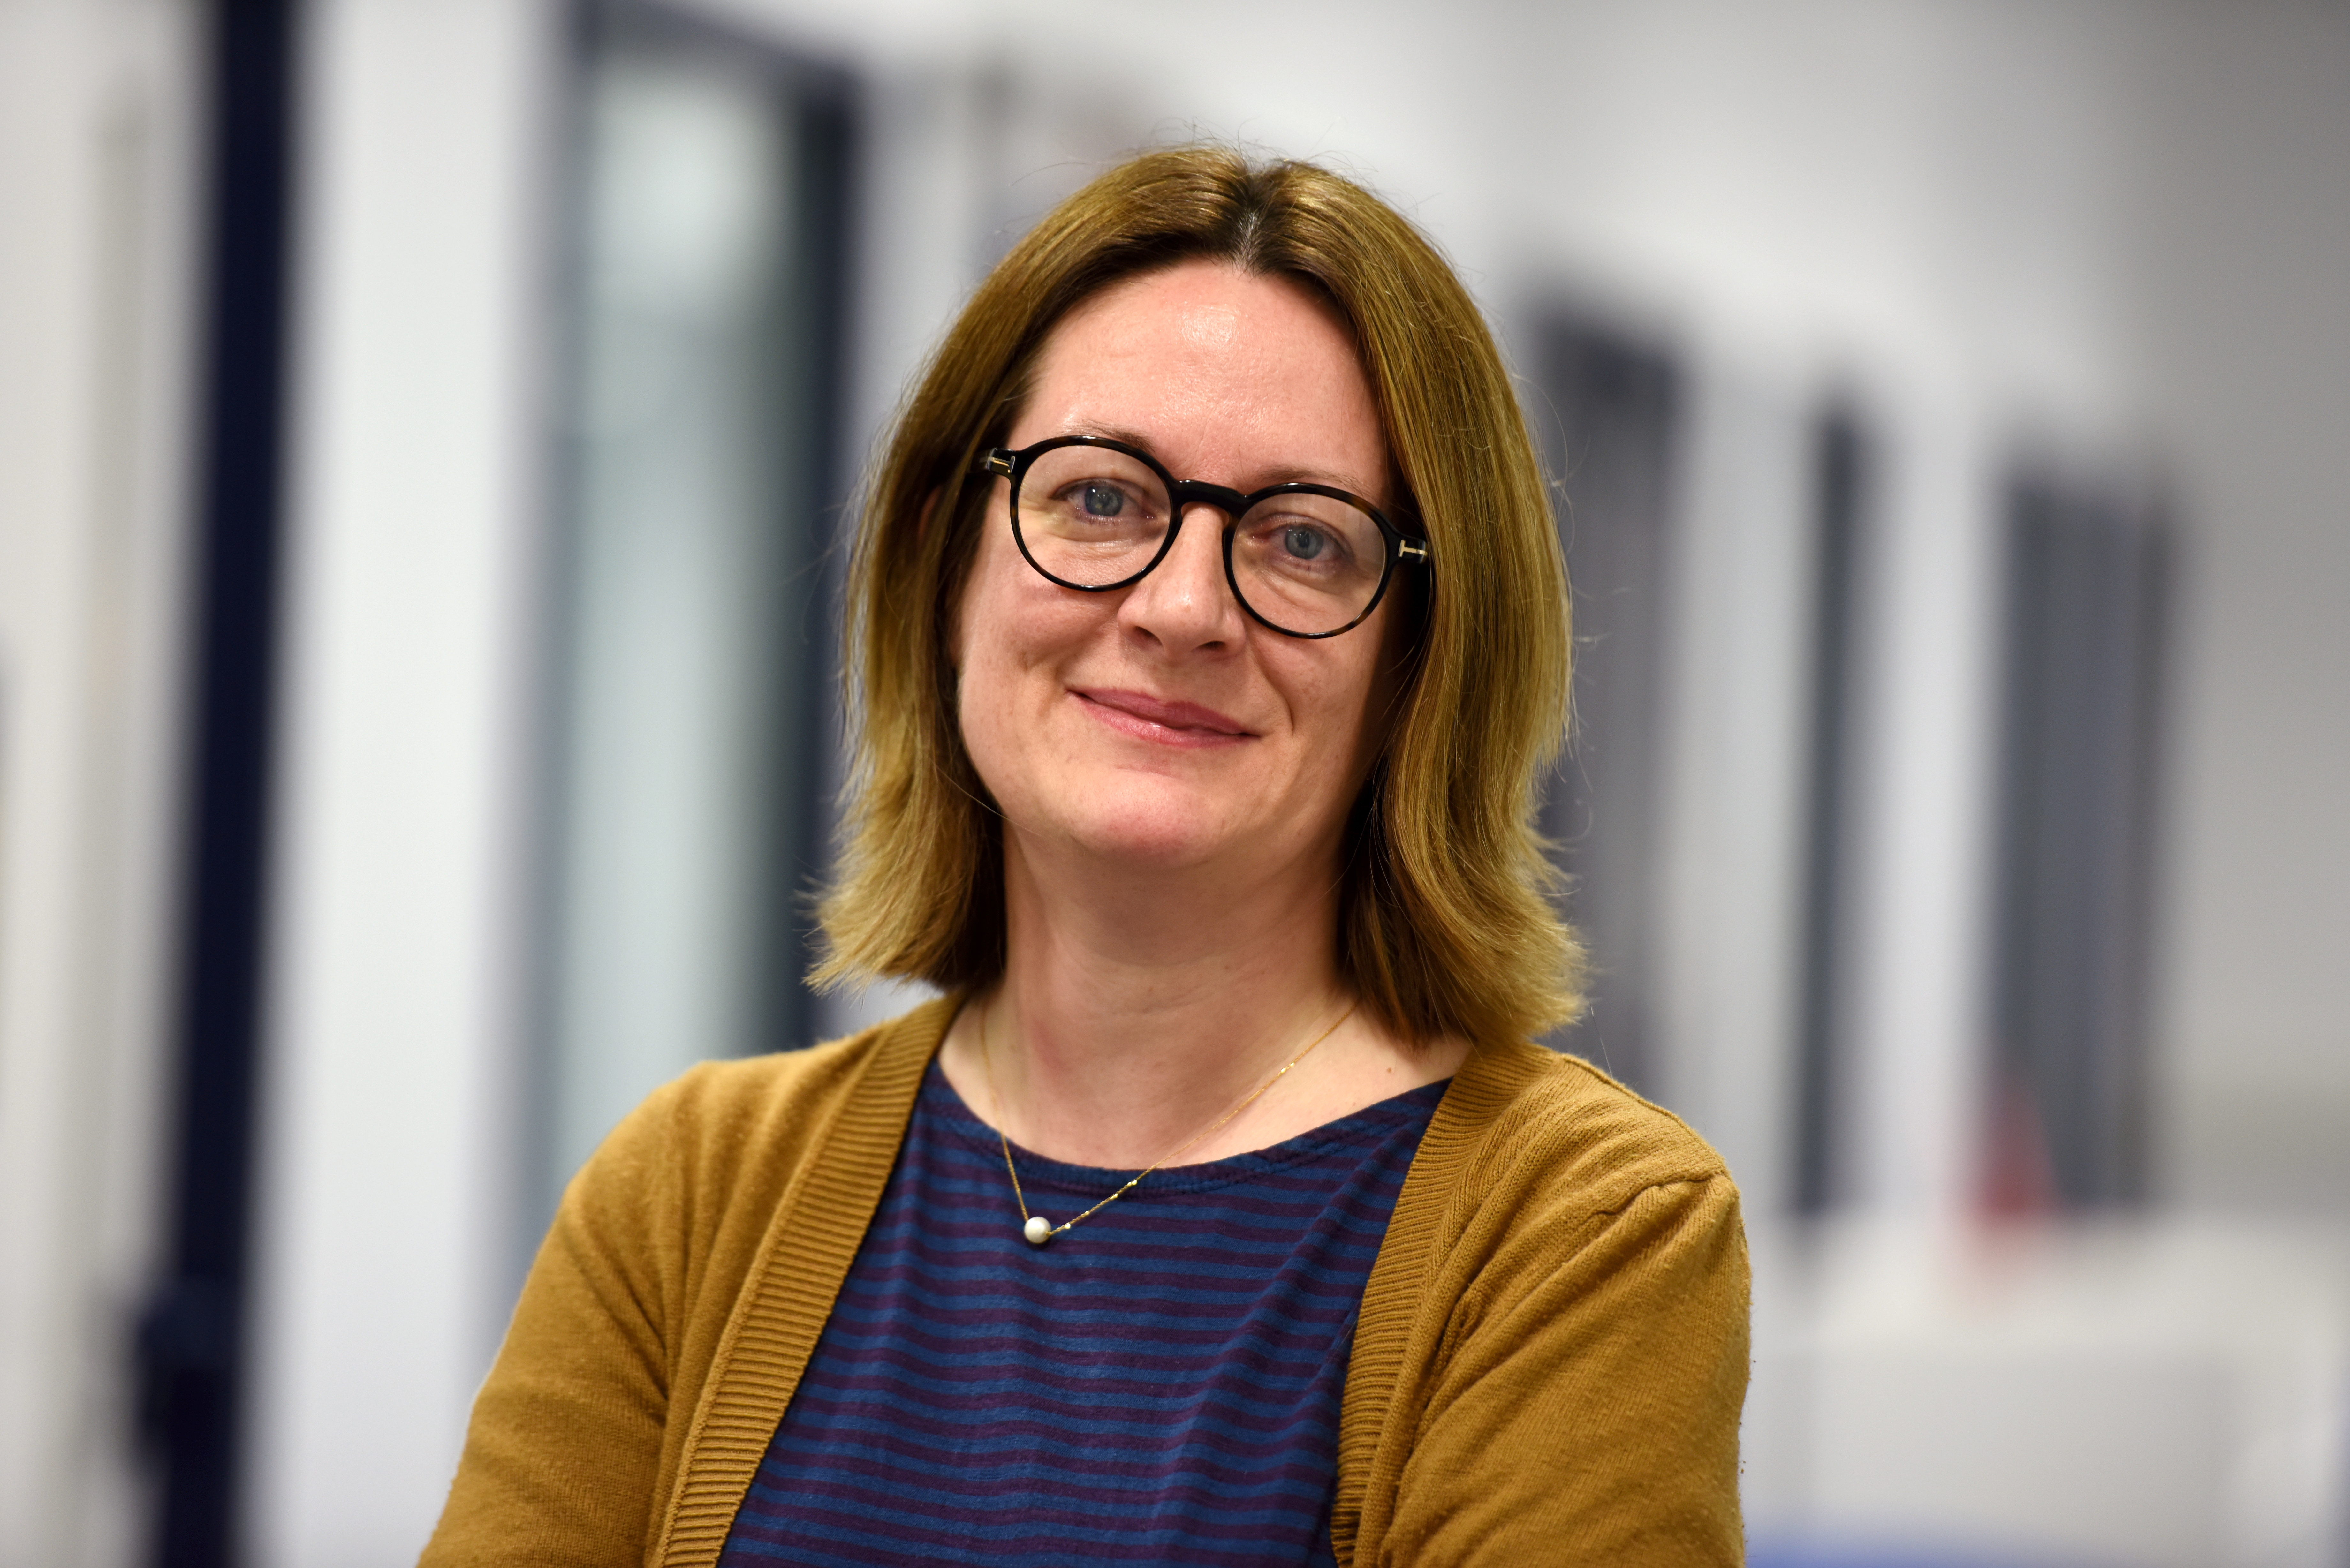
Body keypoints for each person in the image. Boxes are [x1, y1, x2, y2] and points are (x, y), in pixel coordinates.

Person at [422, 146, 1747, 1568]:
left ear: (1419, 658)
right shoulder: (692, 1196)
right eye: (1100, 499)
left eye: (1302, 539)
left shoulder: (1582, 1238)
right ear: (949, 560)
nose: (1181, 608)